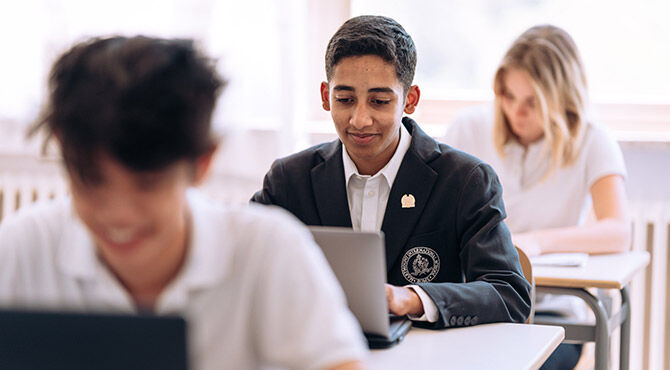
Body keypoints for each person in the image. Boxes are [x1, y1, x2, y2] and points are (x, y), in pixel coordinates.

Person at [0, 36, 367, 370]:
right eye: (92, 182)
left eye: (147, 185)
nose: (118, 214)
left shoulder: (268, 251)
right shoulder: (20, 249)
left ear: (202, 163)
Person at [252, 15, 531, 329]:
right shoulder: (290, 179)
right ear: (324, 96)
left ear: (409, 100)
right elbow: (241, 262)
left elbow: (510, 293)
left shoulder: (464, 180)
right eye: (344, 100)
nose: (359, 119)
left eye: (379, 101)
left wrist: (411, 299)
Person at [445, 25, 631, 369]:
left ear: (561, 100)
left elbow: (618, 230)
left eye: (532, 102)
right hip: (478, 305)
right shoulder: (468, 128)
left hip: (552, 313)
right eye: (508, 96)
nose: (517, 112)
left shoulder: (592, 140)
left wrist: (534, 243)